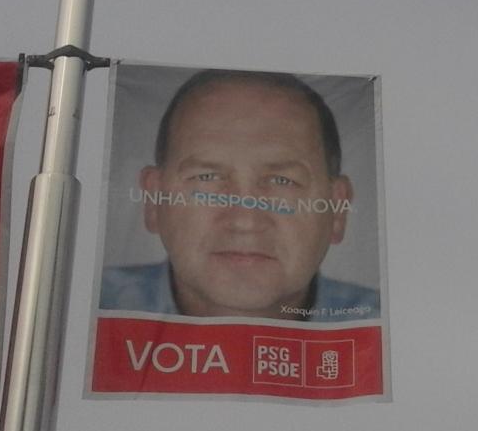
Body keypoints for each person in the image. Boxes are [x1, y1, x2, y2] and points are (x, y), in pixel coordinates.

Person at [101, 69, 380, 321]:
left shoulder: (390, 330)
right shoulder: (86, 306)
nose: (244, 221)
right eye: (207, 178)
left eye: (282, 181)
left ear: (337, 210)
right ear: (153, 200)